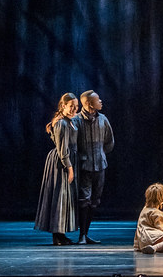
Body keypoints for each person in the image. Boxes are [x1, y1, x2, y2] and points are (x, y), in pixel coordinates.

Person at [35, 92, 80, 245]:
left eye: (76, 106)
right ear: (63, 106)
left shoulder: (69, 121)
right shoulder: (61, 123)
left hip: (67, 160)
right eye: (71, 106)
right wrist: (70, 168)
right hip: (61, 163)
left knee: (64, 198)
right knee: (60, 196)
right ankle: (57, 235)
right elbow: (62, 149)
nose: (74, 109)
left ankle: (61, 234)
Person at [73, 89, 114, 244]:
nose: (101, 101)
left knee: (95, 200)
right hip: (84, 166)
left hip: (100, 165)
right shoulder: (76, 120)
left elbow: (109, 142)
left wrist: (100, 154)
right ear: (89, 104)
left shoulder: (103, 119)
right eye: (98, 100)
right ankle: (82, 235)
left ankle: (86, 233)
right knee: (84, 199)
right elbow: (71, 143)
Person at [134, 183, 163, 253]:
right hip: (152, 237)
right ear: (162, 199)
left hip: (142, 240)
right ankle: (155, 247)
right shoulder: (157, 213)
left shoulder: (144, 209)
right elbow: (161, 229)